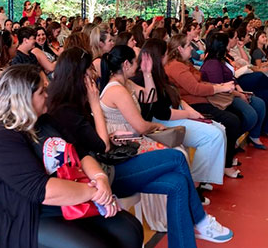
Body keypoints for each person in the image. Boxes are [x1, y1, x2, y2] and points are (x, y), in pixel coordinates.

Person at [48, 48, 234, 247]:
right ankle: (200, 220)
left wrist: (111, 135)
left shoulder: (81, 100)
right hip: (103, 175)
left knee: (178, 183)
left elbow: (98, 138)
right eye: (89, 73)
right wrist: (95, 106)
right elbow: (101, 146)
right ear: (79, 76)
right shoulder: (67, 110)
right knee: (177, 157)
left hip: (109, 162)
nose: (93, 76)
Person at [0, 65, 144, 248]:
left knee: (130, 231)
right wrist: (96, 193)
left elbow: (81, 154)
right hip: (29, 216)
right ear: (23, 99)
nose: (47, 95)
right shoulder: (0, 140)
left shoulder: (45, 121)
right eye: (41, 91)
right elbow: (41, 190)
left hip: (70, 201)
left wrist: (100, 178)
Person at [134, 39, 226, 187]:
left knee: (220, 129)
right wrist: (189, 114)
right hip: (163, 120)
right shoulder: (143, 78)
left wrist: (190, 110)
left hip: (175, 112)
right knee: (213, 136)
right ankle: (196, 183)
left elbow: (175, 96)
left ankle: (202, 178)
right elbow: (162, 113)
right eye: (165, 54)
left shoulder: (160, 73)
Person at [165, 34, 243, 179]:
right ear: (180, 49)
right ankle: (225, 165)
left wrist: (217, 86)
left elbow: (199, 83)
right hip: (194, 104)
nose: (191, 49)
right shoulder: (176, 66)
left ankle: (226, 159)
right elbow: (195, 88)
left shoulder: (184, 63)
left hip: (201, 100)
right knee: (232, 121)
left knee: (236, 116)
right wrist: (219, 88)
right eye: (188, 45)